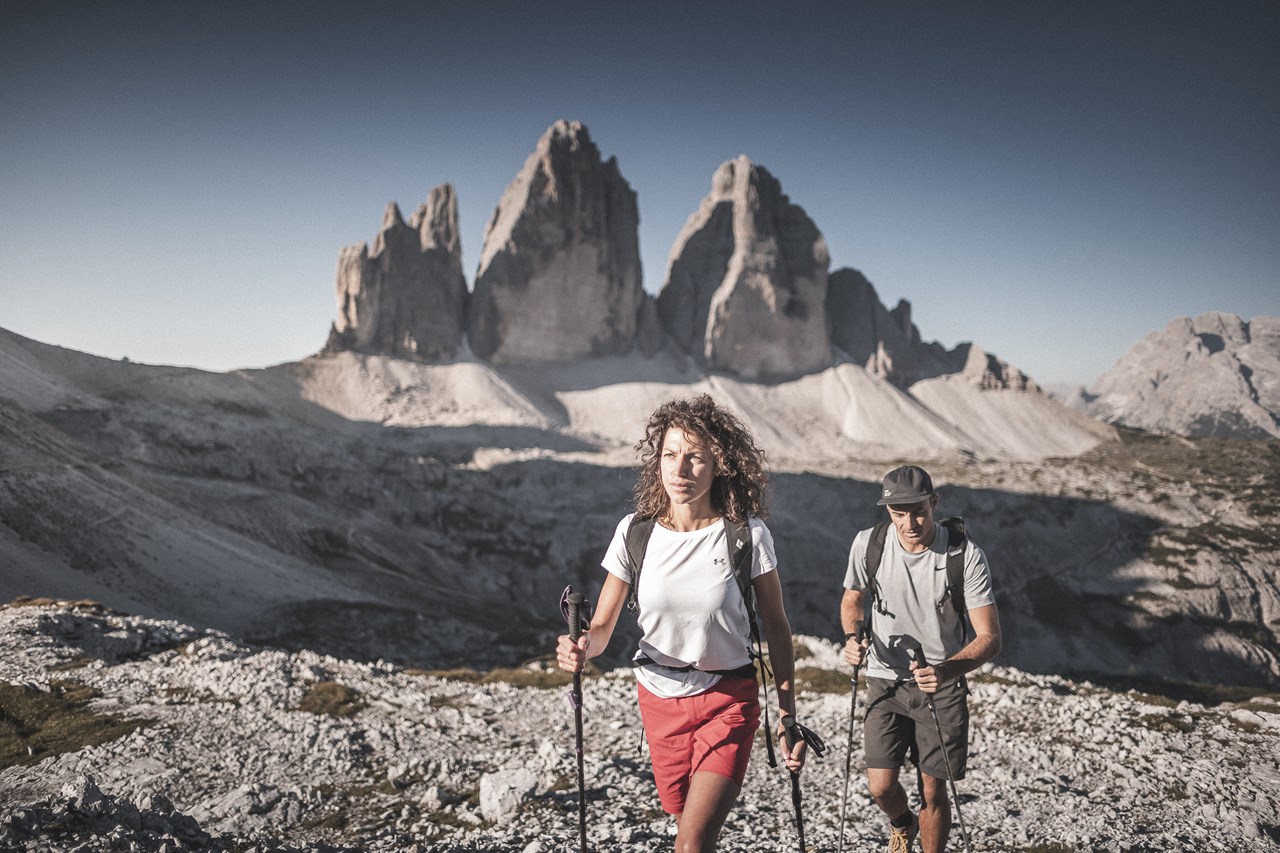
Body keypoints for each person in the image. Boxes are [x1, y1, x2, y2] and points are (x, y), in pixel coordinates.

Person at [556, 394, 807, 853]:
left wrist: (788, 715)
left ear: (719, 466)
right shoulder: (635, 531)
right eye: (671, 455)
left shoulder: (746, 534)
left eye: (696, 457)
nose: (681, 468)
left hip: (728, 698)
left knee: (691, 842)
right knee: (683, 818)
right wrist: (579, 648)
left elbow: (777, 625)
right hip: (659, 700)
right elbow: (604, 626)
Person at [840, 465, 1002, 853]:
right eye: (899, 513)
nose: (909, 522)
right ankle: (903, 824)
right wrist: (852, 637)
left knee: (933, 791)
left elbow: (990, 638)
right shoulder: (869, 543)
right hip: (884, 678)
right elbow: (852, 599)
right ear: (888, 510)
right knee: (879, 785)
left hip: (941, 685)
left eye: (918, 511)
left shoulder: (965, 556)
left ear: (934, 503)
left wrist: (946, 670)